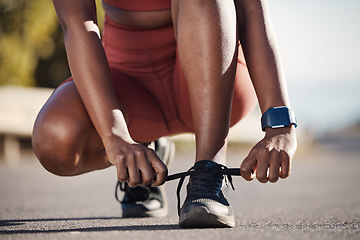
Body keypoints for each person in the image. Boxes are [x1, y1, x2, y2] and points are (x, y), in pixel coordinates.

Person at [32, 0, 297, 228]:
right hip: (130, 87)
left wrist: (280, 125)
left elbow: (252, 10)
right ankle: (145, 158)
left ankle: (209, 172)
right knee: (55, 139)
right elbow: (78, 23)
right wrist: (115, 136)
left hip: (218, 81)